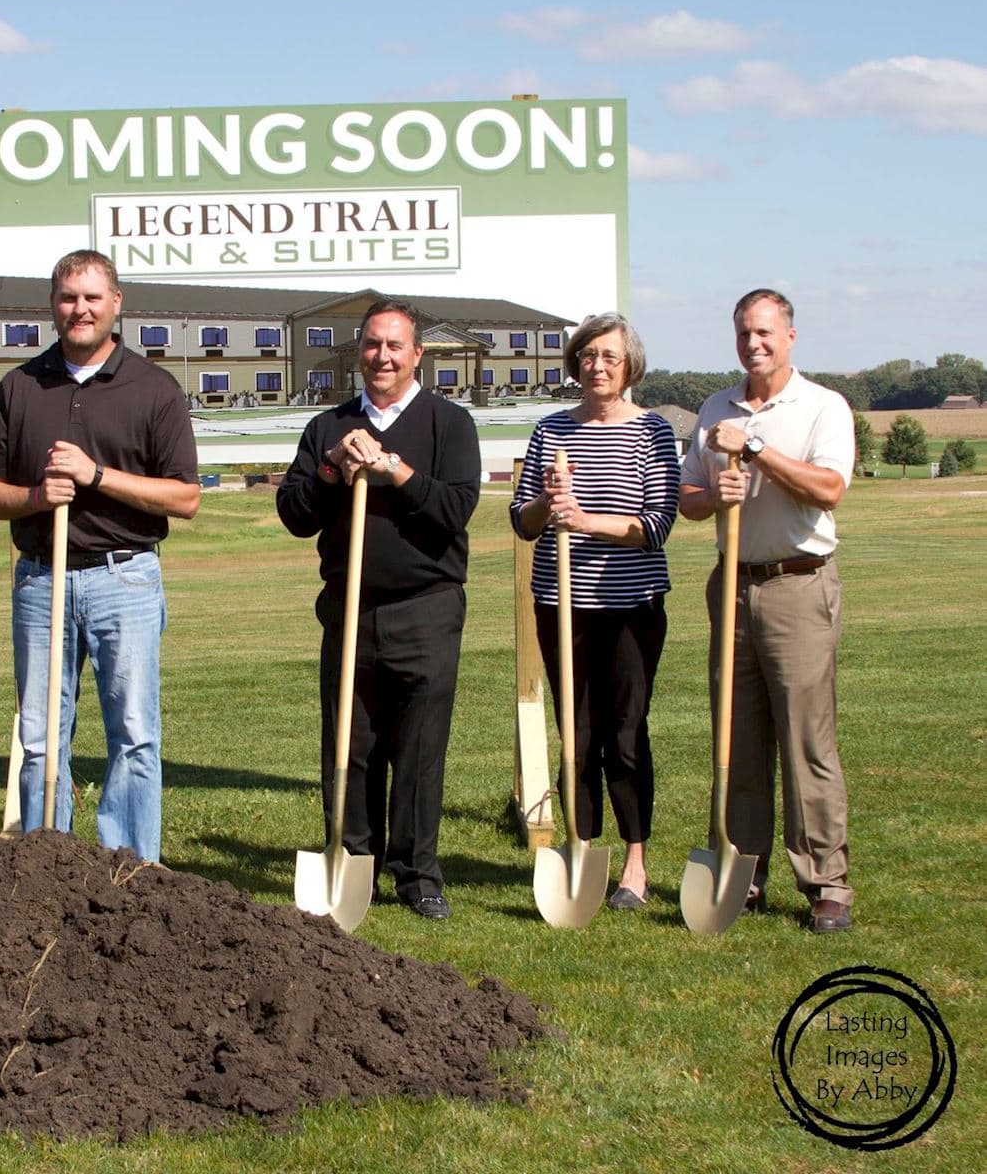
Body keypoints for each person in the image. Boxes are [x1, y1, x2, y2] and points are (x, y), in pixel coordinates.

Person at [0, 249, 199, 864]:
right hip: (41, 583)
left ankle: (129, 874)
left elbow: (184, 498)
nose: (80, 309)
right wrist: (36, 496)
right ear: (53, 305)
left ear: (116, 303)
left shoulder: (154, 389)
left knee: (133, 736)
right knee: (42, 738)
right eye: (69, 297)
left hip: (123, 579)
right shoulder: (21, 388)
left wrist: (96, 475)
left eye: (93, 297)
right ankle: (48, 866)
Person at [277, 299, 480, 919]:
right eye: (371, 344)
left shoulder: (449, 424)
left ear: (418, 353)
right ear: (358, 351)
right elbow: (293, 513)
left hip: (426, 607)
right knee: (350, 741)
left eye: (395, 345)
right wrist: (334, 470)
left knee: (419, 745)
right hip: (349, 608)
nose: (382, 356)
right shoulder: (327, 427)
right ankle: (351, 857)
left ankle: (416, 874)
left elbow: (455, 509)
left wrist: (395, 471)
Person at [679, 288, 855, 933]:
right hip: (732, 584)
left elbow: (828, 490)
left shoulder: (821, 406)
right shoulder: (714, 408)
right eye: (743, 334)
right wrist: (713, 492)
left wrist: (753, 451)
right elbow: (688, 497)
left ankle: (826, 882)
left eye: (765, 333)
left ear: (790, 336)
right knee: (737, 738)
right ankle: (743, 868)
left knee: (805, 740)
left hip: (797, 585)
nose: (753, 344)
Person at [509, 314, 679, 909]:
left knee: (626, 732)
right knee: (575, 731)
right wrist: (545, 505)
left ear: (629, 364)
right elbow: (521, 521)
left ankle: (635, 863)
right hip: (562, 604)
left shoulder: (653, 432)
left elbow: (656, 525)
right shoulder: (551, 431)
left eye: (608, 356)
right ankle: (582, 849)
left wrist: (585, 521)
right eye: (586, 356)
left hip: (631, 606)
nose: (597, 366)